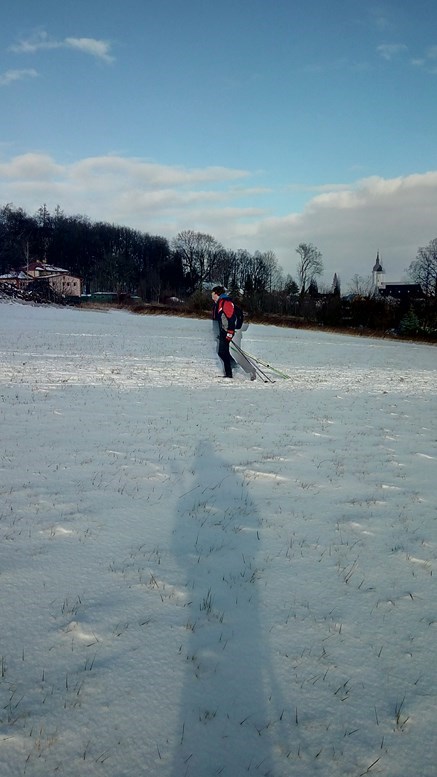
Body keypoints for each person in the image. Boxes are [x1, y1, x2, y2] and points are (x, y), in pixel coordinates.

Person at [211, 286, 236, 378]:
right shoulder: (219, 303)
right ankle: (232, 369)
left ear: (217, 294)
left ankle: (231, 371)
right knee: (223, 352)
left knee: (222, 352)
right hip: (223, 330)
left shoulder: (226, 302)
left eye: (212, 294)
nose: (212, 297)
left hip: (227, 330)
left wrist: (230, 332)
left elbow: (231, 318)